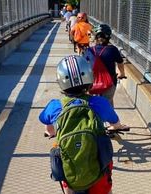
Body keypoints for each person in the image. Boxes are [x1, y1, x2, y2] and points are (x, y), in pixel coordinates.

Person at [39, 55, 128, 194]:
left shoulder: (54, 106)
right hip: (98, 169)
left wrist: (51, 132)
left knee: (68, 180)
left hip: (71, 172)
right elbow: (115, 122)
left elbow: (47, 126)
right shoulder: (99, 103)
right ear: (89, 78)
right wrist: (114, 127)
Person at [84, 24, 126, 106]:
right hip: (109, 82)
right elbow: (120, 63)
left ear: (96, 37)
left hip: (92, 83)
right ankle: (109, 116)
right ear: (109, 37)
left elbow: (83, 66)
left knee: (91, 104)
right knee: (108, 104)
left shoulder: (89, 50)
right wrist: (122, 74)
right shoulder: (113, 50)